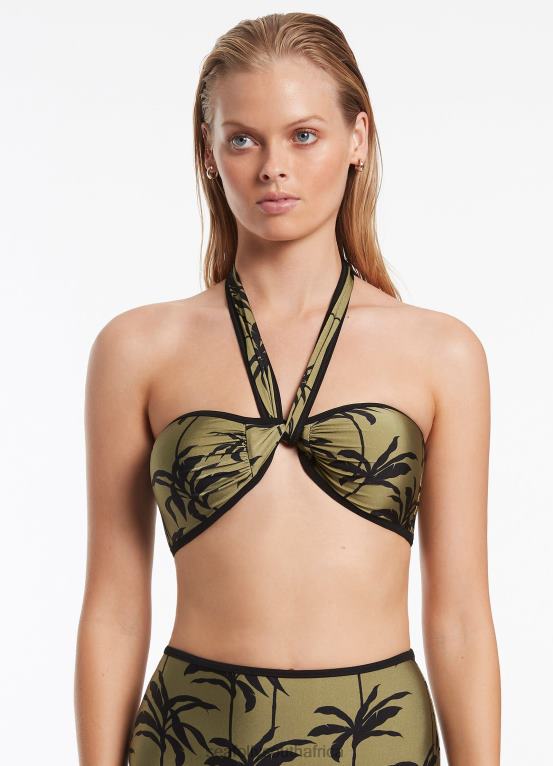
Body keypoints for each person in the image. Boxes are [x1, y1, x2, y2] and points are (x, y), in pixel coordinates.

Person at [75, 12, 501, 766]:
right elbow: (113, 609)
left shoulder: (442, 353)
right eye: (243, 139)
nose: (273, 167)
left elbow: (461, 618)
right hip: (188, 739)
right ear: (209, 152)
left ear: (357, 139)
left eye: (304, 135)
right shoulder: (136, 349)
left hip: (376, 741)